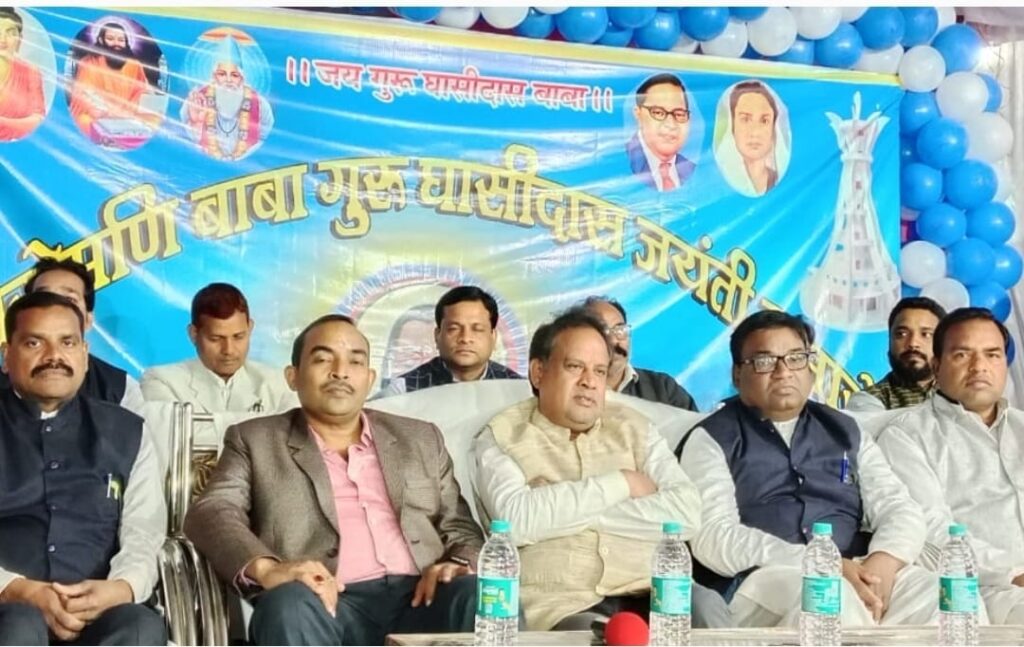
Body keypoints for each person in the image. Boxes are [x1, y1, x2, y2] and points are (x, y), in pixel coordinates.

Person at [184, 314, 484, 646]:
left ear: (369, 379)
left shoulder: (420, 438)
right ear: (293, 376)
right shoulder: (255, 440)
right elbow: (212, 511)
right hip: (319, 600)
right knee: (286, 606)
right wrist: (268, 569)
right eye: (323, 359)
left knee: (481, 595)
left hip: (422, 597)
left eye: (355, 361)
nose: (340, 371)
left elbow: (460, 526)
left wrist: (457, 563)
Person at [472, 307, 730, 631]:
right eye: (574, 367)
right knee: (590, 636)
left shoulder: (636, 428)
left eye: (599, 371)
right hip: (564, 604)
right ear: (538, 373)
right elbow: (515, 522)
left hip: (654, 588)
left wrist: (563, 513)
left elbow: (687, 513)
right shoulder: (502, 435)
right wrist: (623, 484)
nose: (589, 382)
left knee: (707, 607)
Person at [678, 310, 938, 628]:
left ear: (810, 368)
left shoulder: (846, 430)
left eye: (796, 358)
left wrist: (883, 562)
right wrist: (822, 564)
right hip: (763, 579)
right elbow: (713, 537)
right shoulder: (711, 439)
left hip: (858, 567)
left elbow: (899, 507)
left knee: (939, 597)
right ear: (737, 374)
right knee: (830, 598)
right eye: (764, 361)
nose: (783, 372)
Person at [0, 291, 166, 645]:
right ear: (6, 356)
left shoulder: (127, 431)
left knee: (140, 627)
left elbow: (144, 530)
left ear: (85, 355)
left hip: (98, 613)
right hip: (6, 608)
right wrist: (15, 588)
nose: (54, 357)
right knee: (18, 625)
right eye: (34, 343)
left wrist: (122, 587)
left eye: (68, 342)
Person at [877, 308, 1024, 624]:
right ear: (936, 365)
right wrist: (1014, 573)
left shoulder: (1021, 428)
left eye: (992, 355)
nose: (979, 366)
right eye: (962, 355)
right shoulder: (908, 435)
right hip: (980, 589)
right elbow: (931, 528)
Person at [0, 258, 145, 415]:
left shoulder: (120, 388)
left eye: (69, 300)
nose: (56, 308)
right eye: (44, 297)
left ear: (88, 320)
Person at [141, 282, 296, 417]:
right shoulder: (162, 381)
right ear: (193, 334)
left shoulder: (277, 383)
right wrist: (260, 424)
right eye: (216, 339)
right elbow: (170, 434)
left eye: (238, 337)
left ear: (250, 328)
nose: (229, 350)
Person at [379, 286, 522, 396]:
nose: (465, 338)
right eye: (454, 329)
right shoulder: (403, 390)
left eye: (477, 329)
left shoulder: (518, 389)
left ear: (493, 337)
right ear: (437, 335)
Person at [581, 296, 698, 411]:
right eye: (602, 332)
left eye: (620, 330)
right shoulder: (574, 389)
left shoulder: (663, 388)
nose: (613, 341)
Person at [180, 34, 273, 160]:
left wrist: (241, 159)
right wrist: (196, 124)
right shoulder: (196, 100)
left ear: (242, 78)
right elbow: (183, 137)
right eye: (222, 74)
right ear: (214, 76)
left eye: (234, 75)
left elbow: (266, 141)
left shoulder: (261, 105)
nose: (228, 80)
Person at [846, 297, 946, 413]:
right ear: (889, 340)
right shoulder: (867, 400)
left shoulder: (960, 393)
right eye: (902, 334)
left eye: (926, 334)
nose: (913, 343)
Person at [68, 21, 154, 141]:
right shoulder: (89, 63)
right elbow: (83, 95)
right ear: (101, 40)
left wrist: (128, 113)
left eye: (121, 40)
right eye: (110, 39)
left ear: (126, 42)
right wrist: (106, 112)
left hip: (127, 115)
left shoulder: (135, 65)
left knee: (154, 120)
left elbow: (142, 92)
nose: (116, 44)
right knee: (84, 121)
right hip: (98, 115)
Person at [714, 80, 790, 197]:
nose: (755, 132)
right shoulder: (719, 182)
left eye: (764, 121)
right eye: (745, 119)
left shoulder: (782, 181)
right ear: (732, 126)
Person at [625, 73, 694, 192]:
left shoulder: (693, 170)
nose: (670, 124)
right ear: (638, 114)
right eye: (658, 113)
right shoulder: (619, 162)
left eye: (679, 114)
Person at [0, 7, 44, 142]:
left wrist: (4, 122)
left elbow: (38, 118)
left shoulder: (30, 71)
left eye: (10, 33)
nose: (3, 39)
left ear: (20, 39)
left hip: (17, 146)